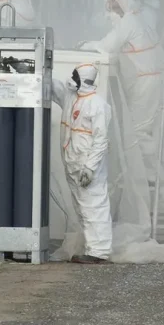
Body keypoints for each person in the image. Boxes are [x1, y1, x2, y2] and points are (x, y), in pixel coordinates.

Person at [80, 0, 164, 183]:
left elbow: (107, 45)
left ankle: (150, 176)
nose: (110, 15)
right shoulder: (140, 20)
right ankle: (154, 172)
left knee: (138, 129)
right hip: (150, 81)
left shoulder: (129, 22)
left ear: (122, 8)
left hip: (146, 83)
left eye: (113, 10)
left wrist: (85, 45)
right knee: (148, 128)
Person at [51, 63, 113, 264]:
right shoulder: (71, 98)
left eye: (75, 76)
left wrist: (90, 168)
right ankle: (91, 248)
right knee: (82, 207)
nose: (72, 79)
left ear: (83, 79)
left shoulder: (98, 105)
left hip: (87, 166)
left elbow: (101, 140)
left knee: (95, 206)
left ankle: (99, 252)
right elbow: (53, 87)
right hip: (73, 164)